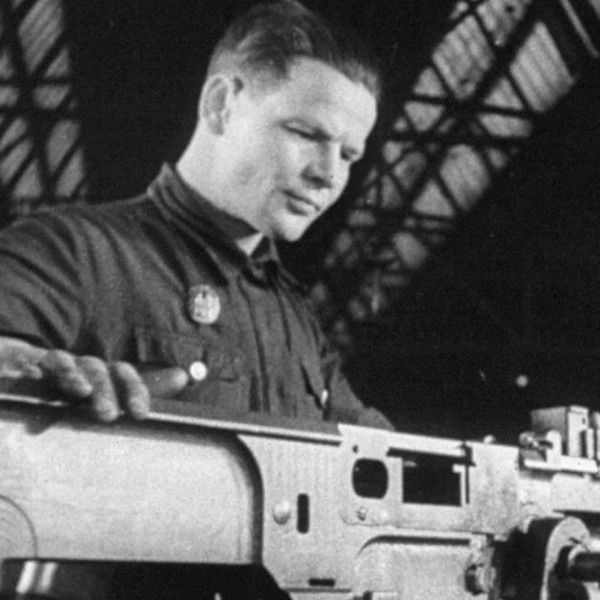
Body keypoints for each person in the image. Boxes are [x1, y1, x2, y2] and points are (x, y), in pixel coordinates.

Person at [0, 0, 391, 429]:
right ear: (220, 105)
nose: (329, 175)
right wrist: (28, 368)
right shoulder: (70, 250)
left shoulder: (295, 318)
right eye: (306, 133)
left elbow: (373, 443)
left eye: (349, 155)